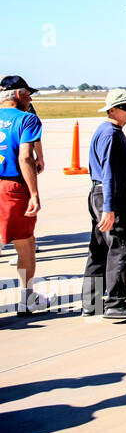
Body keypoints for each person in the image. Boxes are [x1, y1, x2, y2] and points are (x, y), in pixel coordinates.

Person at [85, 89, 126, 321]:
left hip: (98, 192)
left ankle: (91, 302)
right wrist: (109, 207)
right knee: (121, 247)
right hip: (111, 194)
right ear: (112, 110)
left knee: (99, 248)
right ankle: (115, 302)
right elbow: (109, 172)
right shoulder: (111, 134)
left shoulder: (105, 130)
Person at [0, 75, 47, 316]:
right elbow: (26, 157)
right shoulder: (27, 119)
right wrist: (34, 193)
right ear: (18, 94)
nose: (30, 99)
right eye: (28, 94)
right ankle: (26, 298)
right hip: (12, 187)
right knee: (26, 244)